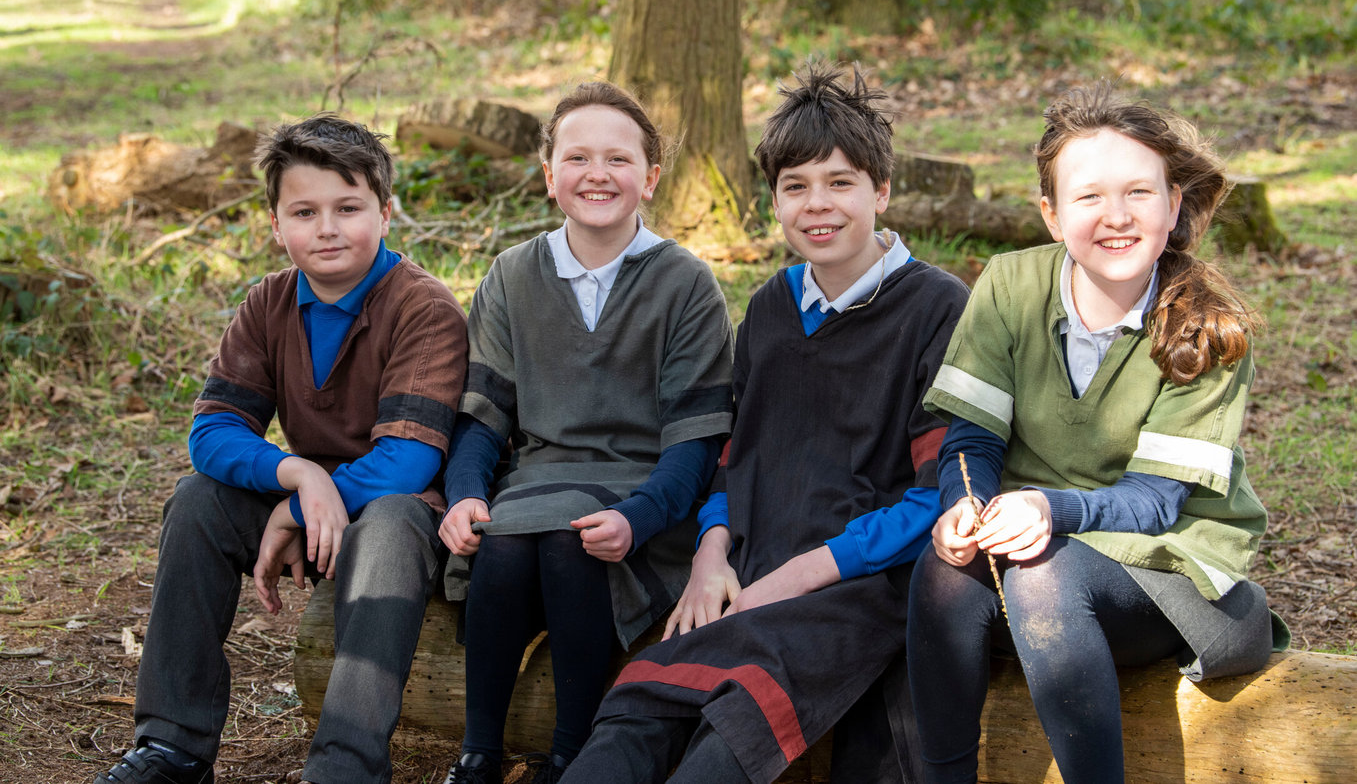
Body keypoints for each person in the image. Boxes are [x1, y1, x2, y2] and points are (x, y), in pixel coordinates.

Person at [557, 62, 970, 784]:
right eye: (794, 187)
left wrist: (803, 575)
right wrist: (711, 555)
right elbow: (732, 460)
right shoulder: (769, 310)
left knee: (727, 743)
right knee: (627, 725)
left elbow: (940, 493)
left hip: (858, 586)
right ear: (772, 200)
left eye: (840, 183)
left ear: (882, 190)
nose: (818, 206)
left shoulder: (937, 308)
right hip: (749, 571)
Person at [908, 82, 1289, 784]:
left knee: (1043, 574)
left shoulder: (1207, 323)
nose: (1114, 216)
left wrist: (1051, 508)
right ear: (1050, 215)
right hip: (1033, 550)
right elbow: (972, 442)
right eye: (1087, 197)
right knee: (941, 571)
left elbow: (1154, 500)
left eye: (1138, 194)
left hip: (1161, 568)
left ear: (1173, 206)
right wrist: (962, 505)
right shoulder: (1007, 285)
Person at [94, 115, 469, 784]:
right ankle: (172, 747)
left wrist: (297, 510)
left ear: (386, 214)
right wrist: (295, 477)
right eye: (304, 211)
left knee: (385, 523)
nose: (326, 227)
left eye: (347, 208)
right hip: (313, 498)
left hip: (406, 520)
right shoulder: (267, 304)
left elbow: (409, 462)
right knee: (198, 500)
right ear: (276, 224)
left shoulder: (423, 309)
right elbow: (211, 432)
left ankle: (344, 765)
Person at [437, 81, 735, 784]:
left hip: (642, 496)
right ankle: (477, 752)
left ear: (651, 178)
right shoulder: (511, 276)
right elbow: (482, 417)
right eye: (576, 158)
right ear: (548, 176)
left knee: (576, 548)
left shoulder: (685, 285)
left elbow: (694, 444)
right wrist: (462, 494)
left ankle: (569, 754)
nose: (596, 174)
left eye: (617, 159)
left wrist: (638, 517)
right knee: (502, 545)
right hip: (532, 485)